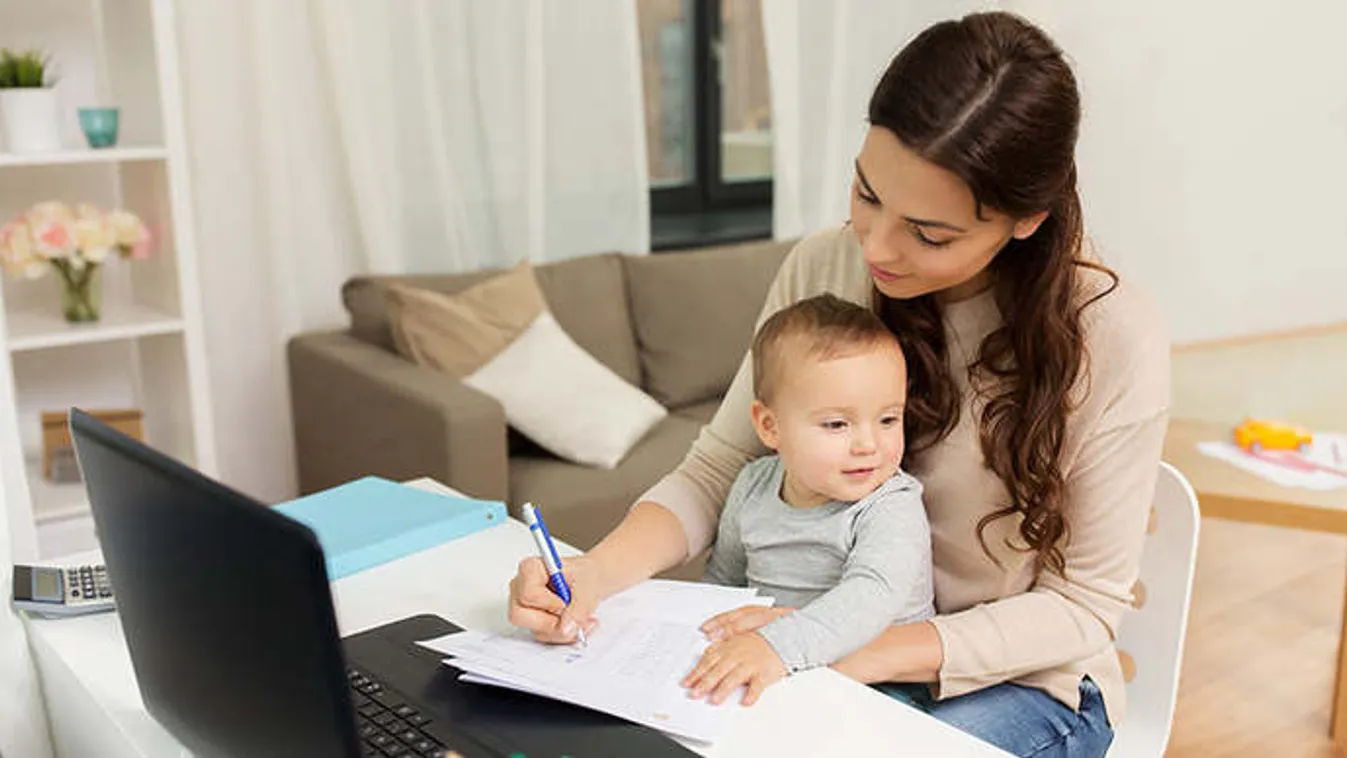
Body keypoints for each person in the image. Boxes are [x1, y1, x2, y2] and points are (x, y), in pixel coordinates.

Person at [508, 10, 1168, 758]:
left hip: (1014, 684)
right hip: (817, 647)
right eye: (865, 193)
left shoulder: (1109, 336)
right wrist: (593, 574)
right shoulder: (824, 267)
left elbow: (1080, 608)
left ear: (1024, 221)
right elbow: (722, 469)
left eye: (929, 233)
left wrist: (835, 651)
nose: (875, 246)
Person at [681, 294, 935, 707]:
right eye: (837, 424)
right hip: (773, 668)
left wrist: (775, 648)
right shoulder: (752, 486)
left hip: (879, 687)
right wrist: (699, 637)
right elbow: (723, 582)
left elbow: (869, 598)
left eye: (889, 419)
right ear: (770, 426)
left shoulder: (891, 505)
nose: (869, 444)